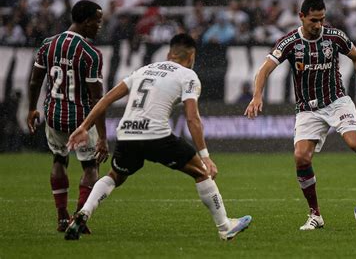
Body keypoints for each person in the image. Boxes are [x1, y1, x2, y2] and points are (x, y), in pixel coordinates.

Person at [244, 0, 356, 230]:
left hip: (337, 101)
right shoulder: (289, 43)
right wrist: (257, 95)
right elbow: (265, 69)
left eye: (322, 19)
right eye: (314, 20)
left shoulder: (334, 37)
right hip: (308, 108)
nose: (318, 25)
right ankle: (315, 215)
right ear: (302, 17)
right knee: (301, 158)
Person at [64, 34, 252, 241]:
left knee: (115, 176)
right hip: (156, 136)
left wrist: (84, 126)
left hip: (127, 134)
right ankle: (225, 226)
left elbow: (106, 99)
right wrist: (205, 156)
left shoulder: (144, 70)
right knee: (201, 172)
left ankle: (83, 214)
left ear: (169, 53)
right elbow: (192, 118)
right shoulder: (187, 75)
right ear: (192, 56)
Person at [27, 0, 109, 232]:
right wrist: (102, 136)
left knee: (59, 159)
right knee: (90, 166)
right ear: (85, 22)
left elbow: (35, 81)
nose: (99, 26)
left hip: (53, 115)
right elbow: (97, 99)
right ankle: (79, 218)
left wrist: (32, 108)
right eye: (97, 21)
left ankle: (62, 216)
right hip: (81, 120)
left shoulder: (48, 44)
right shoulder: (91, 54)